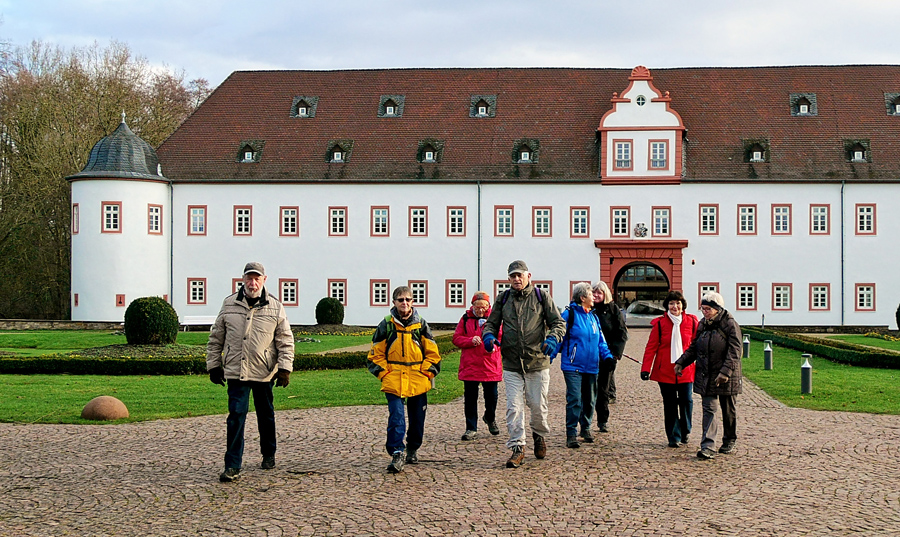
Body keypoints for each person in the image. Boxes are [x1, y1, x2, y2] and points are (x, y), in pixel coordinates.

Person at [207, 262, 294, 483]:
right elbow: (216, 338)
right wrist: (214, 365)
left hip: (263, 371)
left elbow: (285, 340)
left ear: (264, 280)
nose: (252, 283)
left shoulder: (275, 306)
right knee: (236, 416)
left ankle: (269, 453)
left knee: (266, 415)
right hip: (237, 370)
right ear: (243, 280)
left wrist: (284, 368)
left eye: (257, 278)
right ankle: (232, 465)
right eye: (249, 278)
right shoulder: (229, 304)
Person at [482, 260, 566, 468]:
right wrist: (489, 336)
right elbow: (491, 324)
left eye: (520, 275)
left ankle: (538, 434)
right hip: (511, 363)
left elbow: (558, 322)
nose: (516, 279)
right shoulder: (503, 299)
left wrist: (553, 338)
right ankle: (518, 447)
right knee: (514, 407)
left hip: (537, 361)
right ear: (508, 279)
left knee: (537, 405)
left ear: (529, 276)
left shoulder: (541, 297)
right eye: (513, 276)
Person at [367, 286, 442, 474]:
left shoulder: (421, 325)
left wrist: (426, 373)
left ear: (412, 302)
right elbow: (375, 355)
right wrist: (385, 374)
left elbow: (433, 354)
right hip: (394, 379)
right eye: (400, 300)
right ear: (394, 302)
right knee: (397, 417)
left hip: (417, 379)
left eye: (408, 299)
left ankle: (413, 448)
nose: (404, 303)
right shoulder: (386, 325)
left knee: (417, 421)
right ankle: (397, 452)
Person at [674, 291, 743, 460]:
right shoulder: (703, 324)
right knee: (709, 409)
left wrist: (725, 372)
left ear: (717, 309)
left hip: (727, 375)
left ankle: (729, 439)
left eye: (707, 309)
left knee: (728, 411)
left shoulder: (730, 324)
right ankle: (708, 446)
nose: (704, 312)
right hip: (707, 374)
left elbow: (735, 352)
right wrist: (681, 362)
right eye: (702, 309)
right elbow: (694, 347)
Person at [640, 290, 699, 448]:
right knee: (670, 404)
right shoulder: (659, 324)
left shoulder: (692, 322)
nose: (675, 306)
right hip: (665, 371)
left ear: (683, 305)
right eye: (672, 303)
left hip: (686, 370)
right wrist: (646, 369)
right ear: (667, 306)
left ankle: (686, 429)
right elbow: (651, 348)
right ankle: (673, 436)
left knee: (686, 401)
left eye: (678, 303)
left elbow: (697, 346)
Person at [559, 282, 614, 448]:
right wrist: (548, 354)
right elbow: (558, 335)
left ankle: (586, 427)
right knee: (575, 399)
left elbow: (601, 341)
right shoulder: (569, 315)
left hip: (591, 366)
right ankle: (571, 433)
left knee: (590, 399)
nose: (594, 297)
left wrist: (608, 357)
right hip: (572, 364)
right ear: (583, 298)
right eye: (591, 294)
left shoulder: (593, 317)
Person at [452, 291, 503, 441]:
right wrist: (469, 341)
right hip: (471, 365)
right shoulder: (466, 318)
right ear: (472, 305)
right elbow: (456, 338)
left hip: (490, 364)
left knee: (492, 397)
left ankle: (489, 417)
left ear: (488, 306)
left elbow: (502, 336)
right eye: (477, 307)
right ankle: (471, 427)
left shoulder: (494, 318)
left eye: (484, 307)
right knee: (470, 398)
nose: (480, 310)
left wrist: (494, 343)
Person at [591, 281, 628, 432]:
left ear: (605, 294)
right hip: (588, 355)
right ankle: (584, 422)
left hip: (607, 355)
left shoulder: (612, 309)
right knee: (586, 389)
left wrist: (615, 354)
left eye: (599, 293)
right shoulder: (588, 309)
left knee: (603, 389)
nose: (596, 295)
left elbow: (621, 332)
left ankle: (602, 420)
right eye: (594, 292)